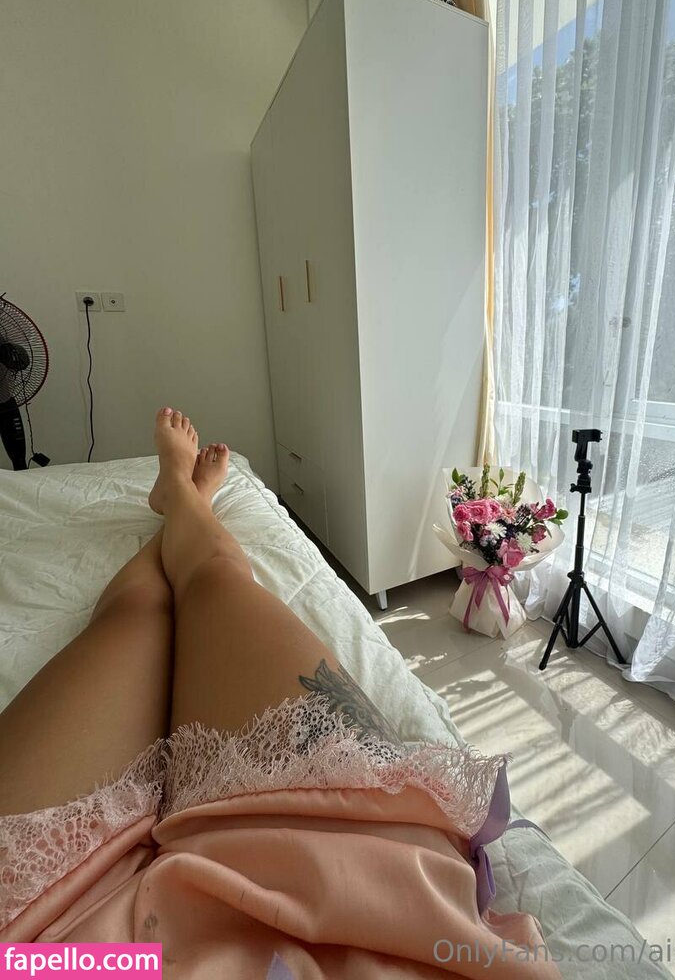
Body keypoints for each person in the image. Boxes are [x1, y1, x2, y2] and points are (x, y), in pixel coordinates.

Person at [0, 409, 559, 978]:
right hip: (365, 890)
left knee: (142, 611)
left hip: (47, 955)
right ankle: (187, 499)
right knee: (213, 578)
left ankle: (182, 497)